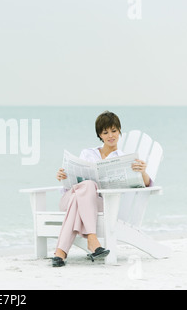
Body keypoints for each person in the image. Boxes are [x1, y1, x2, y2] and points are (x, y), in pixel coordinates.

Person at [52, 111, 151, 267]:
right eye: (105, 132)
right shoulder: (87, 153)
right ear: (100, 135)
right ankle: (92, 238)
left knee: (82, 197)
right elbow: (72, 182)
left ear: (119, 131)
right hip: (70, 197)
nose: (110, 135)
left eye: (114, 131)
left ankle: (60, 252)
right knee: (87, 186)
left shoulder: (124, 158)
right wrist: (63, 176)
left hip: (100, 204)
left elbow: (146, 184)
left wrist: (143, 171)